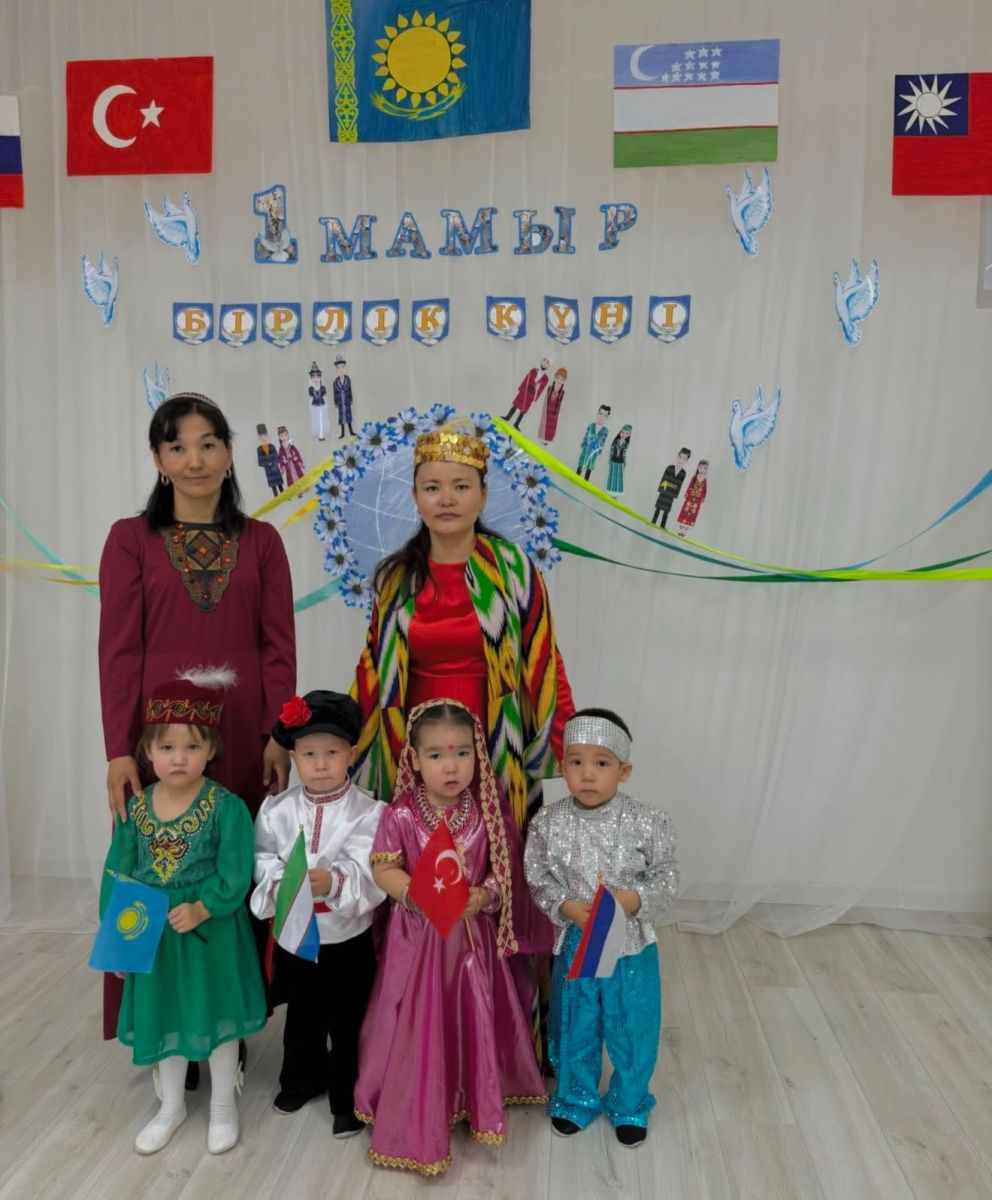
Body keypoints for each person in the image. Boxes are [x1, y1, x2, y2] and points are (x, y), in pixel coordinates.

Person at [99, 391, 296, 1058]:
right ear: (158, 459)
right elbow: (118, 650)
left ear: (229, 453)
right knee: (155, 865)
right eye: (177, 446)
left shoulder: (262, 542)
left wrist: (278, 733)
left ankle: (230, 1024)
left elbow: (278, 646)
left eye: (208, 443)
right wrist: (119, 749)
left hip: (241, 731)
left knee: (233, 862)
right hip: (160, 736)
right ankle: (163, 1025)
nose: (195, 459)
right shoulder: (130, 540)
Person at [354, 700, 550, 1175]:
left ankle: (469, 1094)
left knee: (468, 1015)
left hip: (469, 945)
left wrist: (482, 897)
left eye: (462, 753)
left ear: (477, 756)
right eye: (437, 755)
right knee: (413, 1018)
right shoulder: (401, 815)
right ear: (414, 759)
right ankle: (413, 1100)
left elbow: (503, 875)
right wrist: (413, 894)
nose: (451, 766)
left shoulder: (485, 814)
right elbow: (383, 868)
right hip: (416, 941)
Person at [352, 423, 574, 831]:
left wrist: (568, 744)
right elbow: (372, 668)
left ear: (483, 494)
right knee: (421, 846)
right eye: (432, 488)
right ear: (415, 496)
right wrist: (343, 737)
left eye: (461, 486)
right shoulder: (395, 578)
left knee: (494, 846)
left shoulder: (513, 569)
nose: (447, 499)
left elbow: (544, 660)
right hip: (416, 742)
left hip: (496, 734)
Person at [101, 670, 267, 1155]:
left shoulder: (226, 808)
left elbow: (236, 872)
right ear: (147, 752)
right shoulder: (136, 809)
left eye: (192, 746)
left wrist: (202, 906)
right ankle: (171, 1105)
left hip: (210, 935)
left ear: (211, 749)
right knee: (165, 1015)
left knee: (218, 1016)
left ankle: (223, 1105)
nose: (179, 757)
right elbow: (119, 872)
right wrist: (119, 940)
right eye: (167, 747)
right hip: (155, 936)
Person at [524, 707, 679, 1147]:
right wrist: (566, 906)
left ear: (623, 771)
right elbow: (537, 876)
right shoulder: (548, 823)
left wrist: (632, 901)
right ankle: (575, 1098)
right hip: (578, 941)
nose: (587, 774)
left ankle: (629, 1103)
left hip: (630, 945)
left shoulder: (648, 821)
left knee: (632, 1025)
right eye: (576, 762)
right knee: (576, 1022)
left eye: (601, 763)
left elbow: (666, 876)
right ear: (563, 767)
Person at [251, 690, 383, 1135]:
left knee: (348, 1019)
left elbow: (371, 866)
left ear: (351, 754)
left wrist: (335, 880)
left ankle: (348, 1097)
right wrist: (281, 881)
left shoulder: (368, 812)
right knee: (303, 1013)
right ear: (294, 757)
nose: (321, 764)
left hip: (346, 936)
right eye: (309, 754)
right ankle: (300, 1079)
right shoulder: (277, 810)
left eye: (332, 752)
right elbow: (263, 858)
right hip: (297, 931)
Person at [504, 355, 551, 430]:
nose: (545, 363)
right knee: (516, 404)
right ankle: (507, 417)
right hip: (524, 390)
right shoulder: (533, 370)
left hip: (532, 394)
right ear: (541, 361)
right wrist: (521, 388)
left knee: (523, 410)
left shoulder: (546, 378)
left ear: (549, 366)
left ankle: (516, 423)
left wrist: (536, 397)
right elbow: (526, 379)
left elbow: (541, 389)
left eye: (547, 362)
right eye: (544, 360)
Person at [651, 447, 690, 528]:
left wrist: (672, 489)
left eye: (684, 458)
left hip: (671, 494)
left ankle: (662, 526)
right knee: (658, 508)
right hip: (664, 492)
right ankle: (653, 522)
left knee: (666, 511)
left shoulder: (683, 473)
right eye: (680, 457)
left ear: (686, 461)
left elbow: (678, 485)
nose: (681, 460)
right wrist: (666, 486)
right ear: (677, 456)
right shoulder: (669, 468)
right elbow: (664, 480)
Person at [576, 406, 610, 480]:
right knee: (582, 462)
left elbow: (602, 441)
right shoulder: (591, 425)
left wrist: (599, 450)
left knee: (590, 465)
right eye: (601, 414)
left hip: (594, 450)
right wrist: (583, 445)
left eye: (605, 415)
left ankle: (586, 481)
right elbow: (586, 436)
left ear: (607, 418)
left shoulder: (605, 431)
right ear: (598, 414)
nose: (602, 417)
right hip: (586, 448)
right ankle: (576, 477)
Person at [677, 459, 709, 537]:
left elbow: (704, 491)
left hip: (697, 501)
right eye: (701, 467)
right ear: (698, 468)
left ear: (707, 470)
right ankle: (681, 529)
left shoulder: (705, 481)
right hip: (690, 498)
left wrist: (703, 498)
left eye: (704, 468)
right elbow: (690, 486)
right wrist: (687, 493)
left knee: (692, 514)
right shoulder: (694, 478)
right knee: (685, 511)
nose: (702, 470)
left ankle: (685, 531)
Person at [537, 366, 567, 444]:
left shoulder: (562, 392)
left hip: (554, 413)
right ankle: (542, 439)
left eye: (562, 379)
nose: (559, 380)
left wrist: (556, 413)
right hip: (547, 410)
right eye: (558, 378)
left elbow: (560, 404)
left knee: (551, 427)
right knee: (544, 425)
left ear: (564, 381)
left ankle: (548, 440)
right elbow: (545, 401)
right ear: (554, 378)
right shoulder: (550, 388)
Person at [256, 423, 284, 496]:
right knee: (273, 485)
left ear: (267, 435)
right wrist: (267, 463)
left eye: (264, 435)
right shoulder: (259, 449)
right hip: (268, 470)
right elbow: (260, 461)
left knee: (280, 484)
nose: (263, 437)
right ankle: (276, 497)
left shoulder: (272, 446)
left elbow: (277, 457)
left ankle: (284, 495)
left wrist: (272, 461)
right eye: (261, 436)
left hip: (275, 468)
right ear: (258, 438)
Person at [606, 424, 633, 496]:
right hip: (613, 460)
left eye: (626, 433)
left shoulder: (626, 444)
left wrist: (624, 462)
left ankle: (617, 493)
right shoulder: (615, 442)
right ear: (620, 433)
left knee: (619, 477)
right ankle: (610, 491)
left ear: (629, 435)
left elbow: (624, 454)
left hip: (620, 462)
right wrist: (610, 459)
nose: (624, 435)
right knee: (612, 476)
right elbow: (611, 451)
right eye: (622, 432)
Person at [333, 355, 356, 439]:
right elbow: (335, 393)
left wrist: (351, 399)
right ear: (336, 369)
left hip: (347, 400)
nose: (340, 369)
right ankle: (342, 433)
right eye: (338, 367)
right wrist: (336, 403)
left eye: (342, 367)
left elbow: (350, 389)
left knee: (348, 416)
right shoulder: (335, 382)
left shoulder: (347, 379)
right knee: (341, 417)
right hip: (340, 401)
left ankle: (351, 431)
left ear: (345, 368)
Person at [308, 363, 329, 441]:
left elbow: (324, 397)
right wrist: (310, 406)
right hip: (315, 406)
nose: (316, 379)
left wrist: (326, 405)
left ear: (320, 378)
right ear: (311, 379)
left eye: (317, 377)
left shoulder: (323, 388)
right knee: (316, 420)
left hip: (322, 405)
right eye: (313, 377)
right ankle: (318, 434)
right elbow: (310, 399)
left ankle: (323, 434)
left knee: (322, 420)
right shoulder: (311, 389)